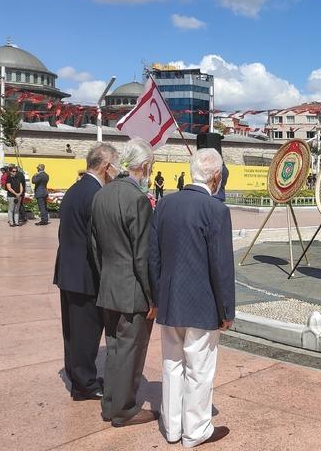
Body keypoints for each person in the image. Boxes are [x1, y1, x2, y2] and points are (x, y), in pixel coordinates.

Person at [151, 148, 233, 447]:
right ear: (216, 177)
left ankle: (172, 428)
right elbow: (221, 265)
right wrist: (227, 310)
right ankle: (195, 431)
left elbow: (153, 257)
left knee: (171, 364)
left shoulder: (165, 204)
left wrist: (156, 297)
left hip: (170, 299)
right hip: (202, 303)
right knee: (199, 368)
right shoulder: (216, 210)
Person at [91, 138, 159, 427]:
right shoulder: (137, 200)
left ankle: (110, 404)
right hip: (133, 292)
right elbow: (143, 256)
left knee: (115, 348)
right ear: (143, 166)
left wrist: (105, 278)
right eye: (150, 168)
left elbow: (94, 247)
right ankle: (123, 410)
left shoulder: (101, 195)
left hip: (109, 286)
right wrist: (153, 298)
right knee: (131, 352)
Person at [54, 143, 119, 402]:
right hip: (84, 274)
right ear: (105, 167)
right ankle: (85, 385)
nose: (116, 171)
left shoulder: (76, 188)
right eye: (115, 166)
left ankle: (78, 376)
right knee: (86, 334)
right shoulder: (95, 194)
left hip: (68, 270)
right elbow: (98, 240)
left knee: (72, 332)